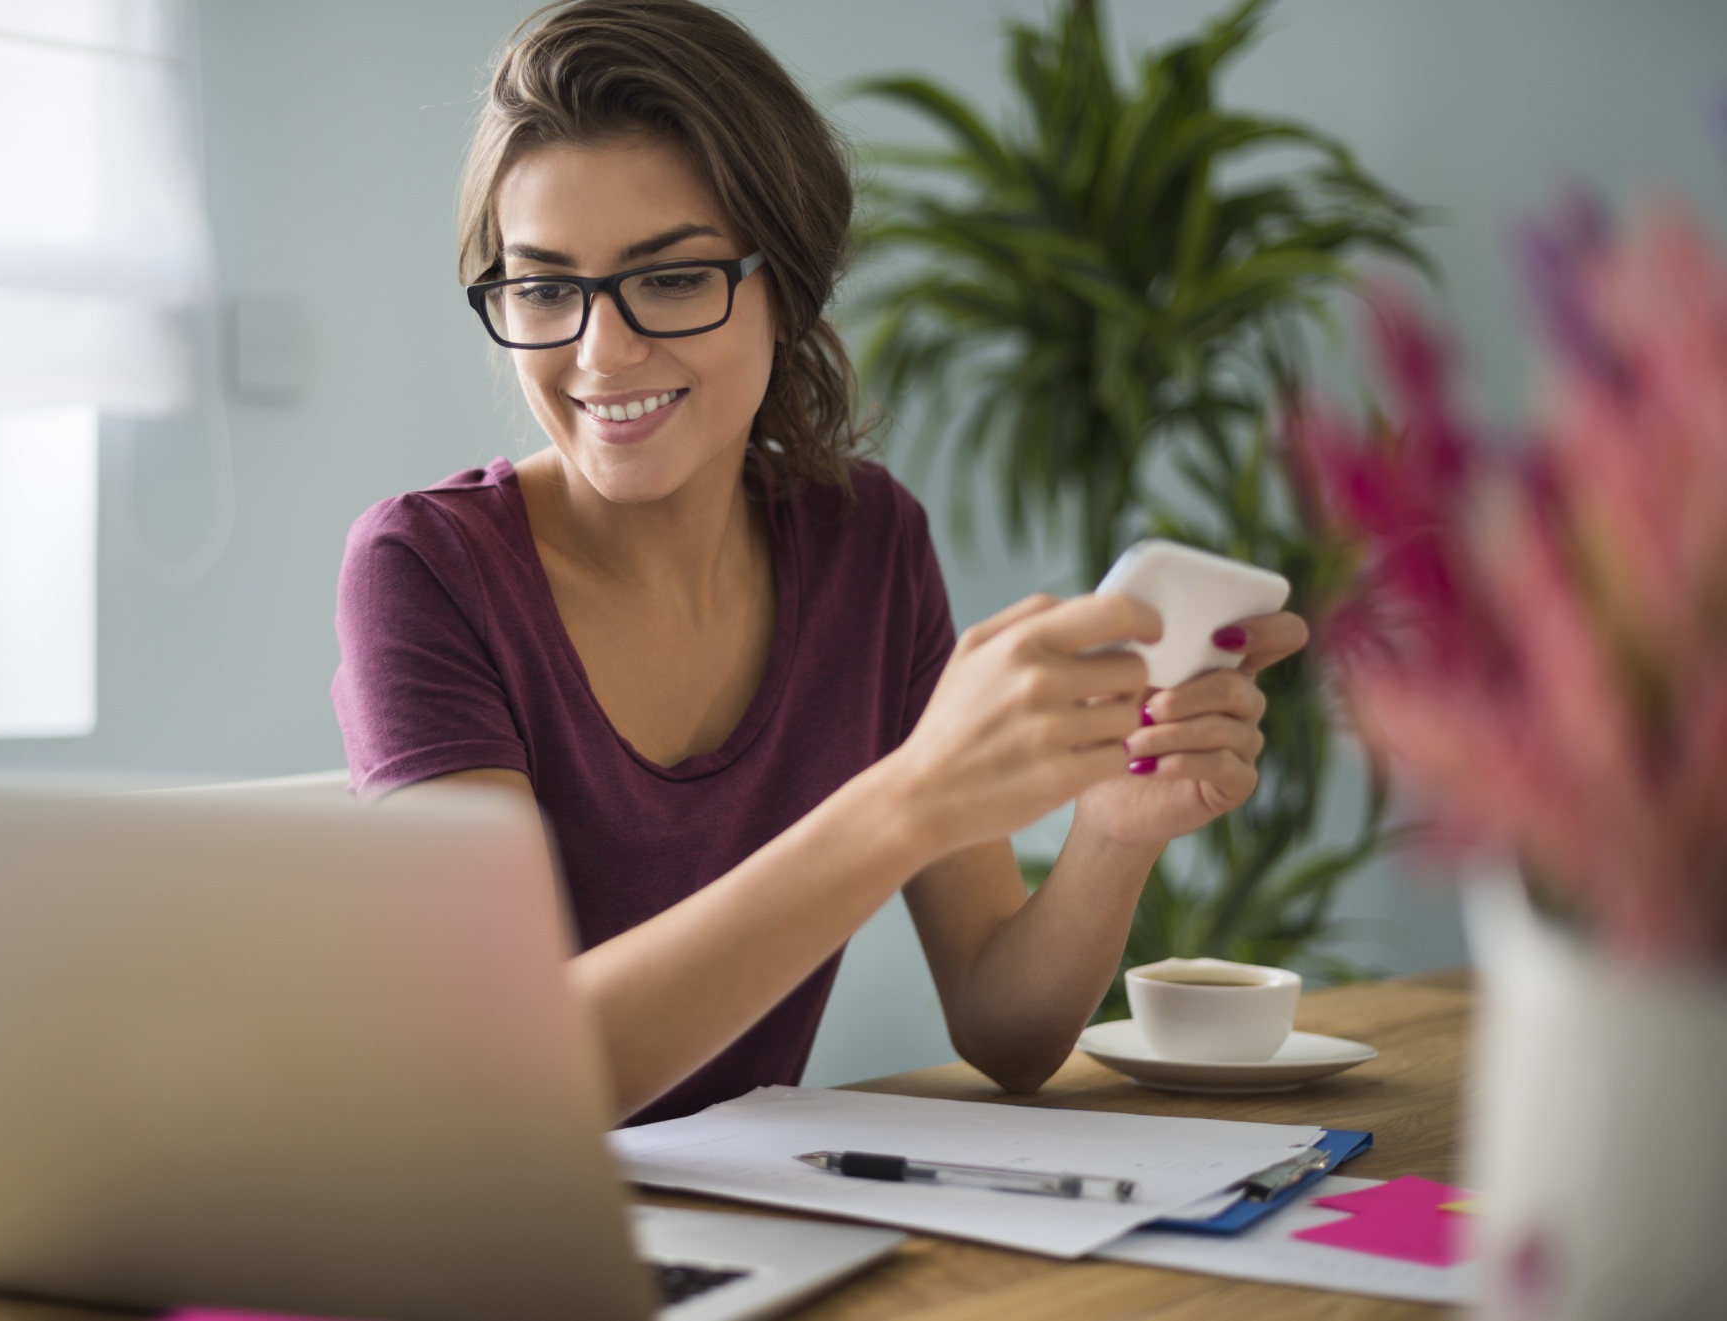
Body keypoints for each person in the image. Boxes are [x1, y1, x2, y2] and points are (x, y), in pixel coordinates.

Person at [332, 0, 1306, 1126]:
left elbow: (1008, 1026)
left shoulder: (867, 546)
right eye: (546, 287)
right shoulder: (426, 570)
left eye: (673, 277)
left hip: (743, 1243)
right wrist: (909, 801)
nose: (600, 352)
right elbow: (515, 1077)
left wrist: (1114, 832)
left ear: (784, 286)